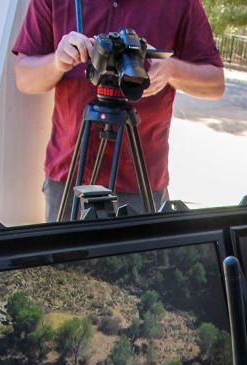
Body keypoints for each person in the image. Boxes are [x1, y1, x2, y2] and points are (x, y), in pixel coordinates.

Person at [12, 0, 225, 221]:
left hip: (138, 180)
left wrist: (171, 70)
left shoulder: (180, 4)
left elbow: (215, 83)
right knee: (63, 256)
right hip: (68, 174)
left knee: (140, 257)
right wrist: (57, 62)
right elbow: (25, 78)